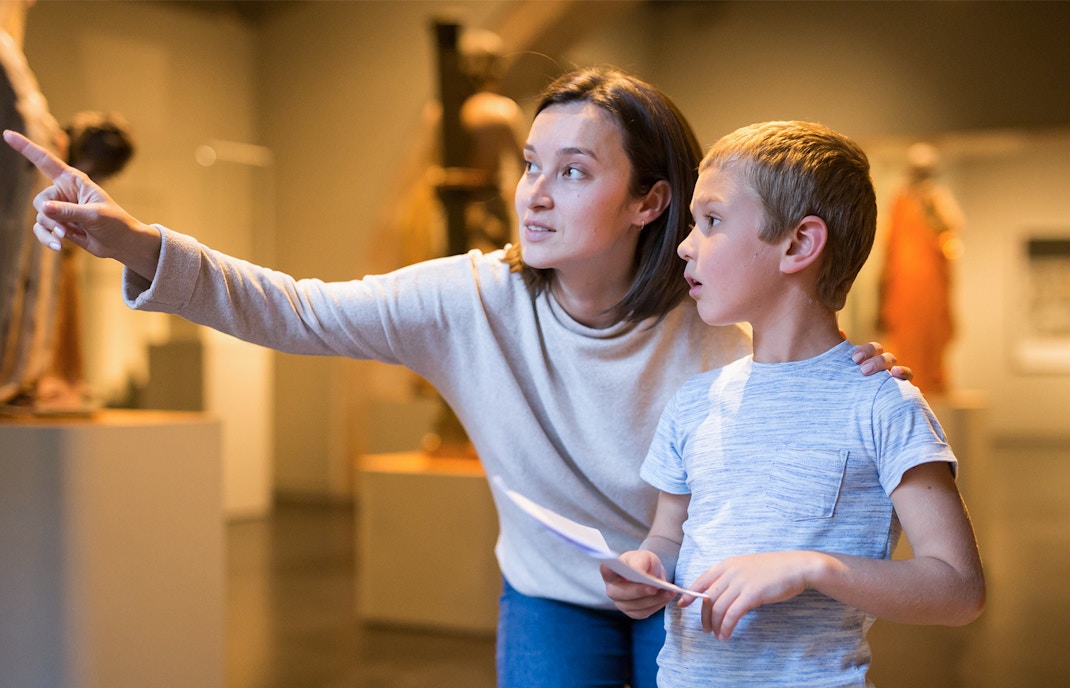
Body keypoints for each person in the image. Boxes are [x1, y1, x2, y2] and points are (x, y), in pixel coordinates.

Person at [4, 68, 908, 688]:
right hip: (555, 592)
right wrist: (133, 240)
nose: (535, 193)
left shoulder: (711, 310)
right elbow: (293, 307)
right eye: (531, 166)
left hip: (696, 593)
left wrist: (851, 366)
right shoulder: (473, 298)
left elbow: (798, 331)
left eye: (574, 171)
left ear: (650, 201)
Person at [602, 121, 984, 687]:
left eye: (711, 221)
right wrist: (649, 570)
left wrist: (812, 567)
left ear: (799, 244)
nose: (684, 244)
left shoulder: (883, 405)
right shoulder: (692, 404)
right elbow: (668, 536)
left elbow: (958, 590)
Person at [877, 141, 964, 395]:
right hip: (903, 286)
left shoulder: (938, 200)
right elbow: (890, 246)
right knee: (905, 337)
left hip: (930, 285)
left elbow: (952, 231)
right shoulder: (900, 200)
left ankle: (932, 380)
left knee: (931, 334)